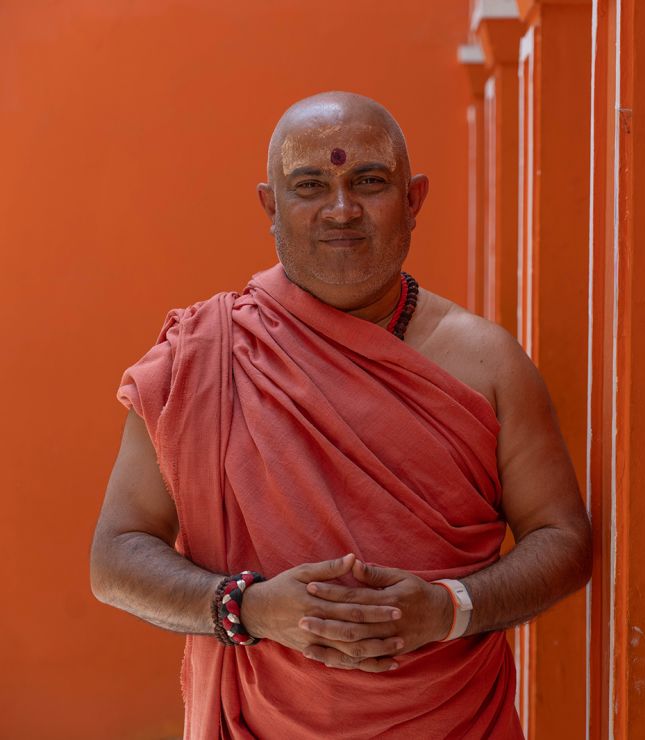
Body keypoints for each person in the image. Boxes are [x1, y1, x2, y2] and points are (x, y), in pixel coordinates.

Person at [89, 91, 592, 739]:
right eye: (310, 184)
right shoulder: (202, 356)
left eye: (369, 181)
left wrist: (449, 609)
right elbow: (117, 556)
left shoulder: (486, 362)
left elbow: (563, 540)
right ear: (271, 205)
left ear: (413, 199)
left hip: (453, 719)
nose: (341, 209)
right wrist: (252, 608)